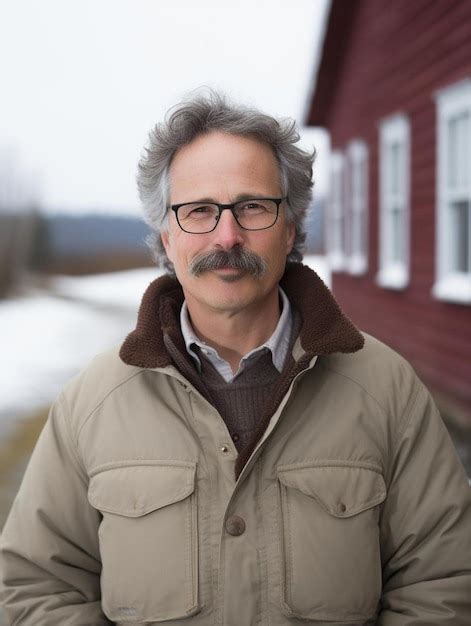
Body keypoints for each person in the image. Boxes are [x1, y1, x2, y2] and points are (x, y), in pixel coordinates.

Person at [1, 90, 471, 626]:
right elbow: (37, 588)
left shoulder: (386, 389)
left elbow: (443, 584)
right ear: (166, 235)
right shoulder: (92, 401)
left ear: (290, 227)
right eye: (199, 210)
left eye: (252, 207)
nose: (227, 236)